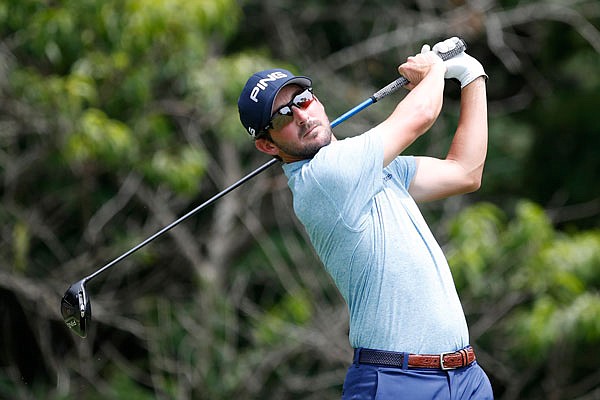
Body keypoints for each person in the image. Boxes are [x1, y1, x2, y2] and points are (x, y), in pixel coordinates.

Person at [237, 37, 493, 399]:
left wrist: (471, 77)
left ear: (317, 100)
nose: (301, 116)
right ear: (267, 145)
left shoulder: (372, 168)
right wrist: (434, 68)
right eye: (282, 116)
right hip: (395, 381)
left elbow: (465, 172)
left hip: (465, 377)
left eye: (302, 100)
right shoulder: (324, 177)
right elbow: (420, 116)